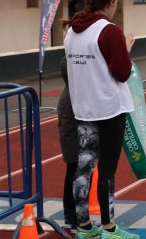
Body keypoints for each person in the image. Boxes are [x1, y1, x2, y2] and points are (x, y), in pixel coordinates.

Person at [63, 0, 139, 239]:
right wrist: (125, 52)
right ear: (111, 3)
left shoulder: (71, 32)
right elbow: (122, 73)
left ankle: (83, 226)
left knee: (83, 167)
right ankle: (109, 228)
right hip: (109, 109)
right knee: (107, 169)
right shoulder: (109, 31)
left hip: (83, 108)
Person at [56, 56, 79, 231]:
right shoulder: (69, 59)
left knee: (80, 168)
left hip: (77, 111)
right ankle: (71, 214)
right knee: (73, 167)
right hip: (71, 116)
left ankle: (75, 212)